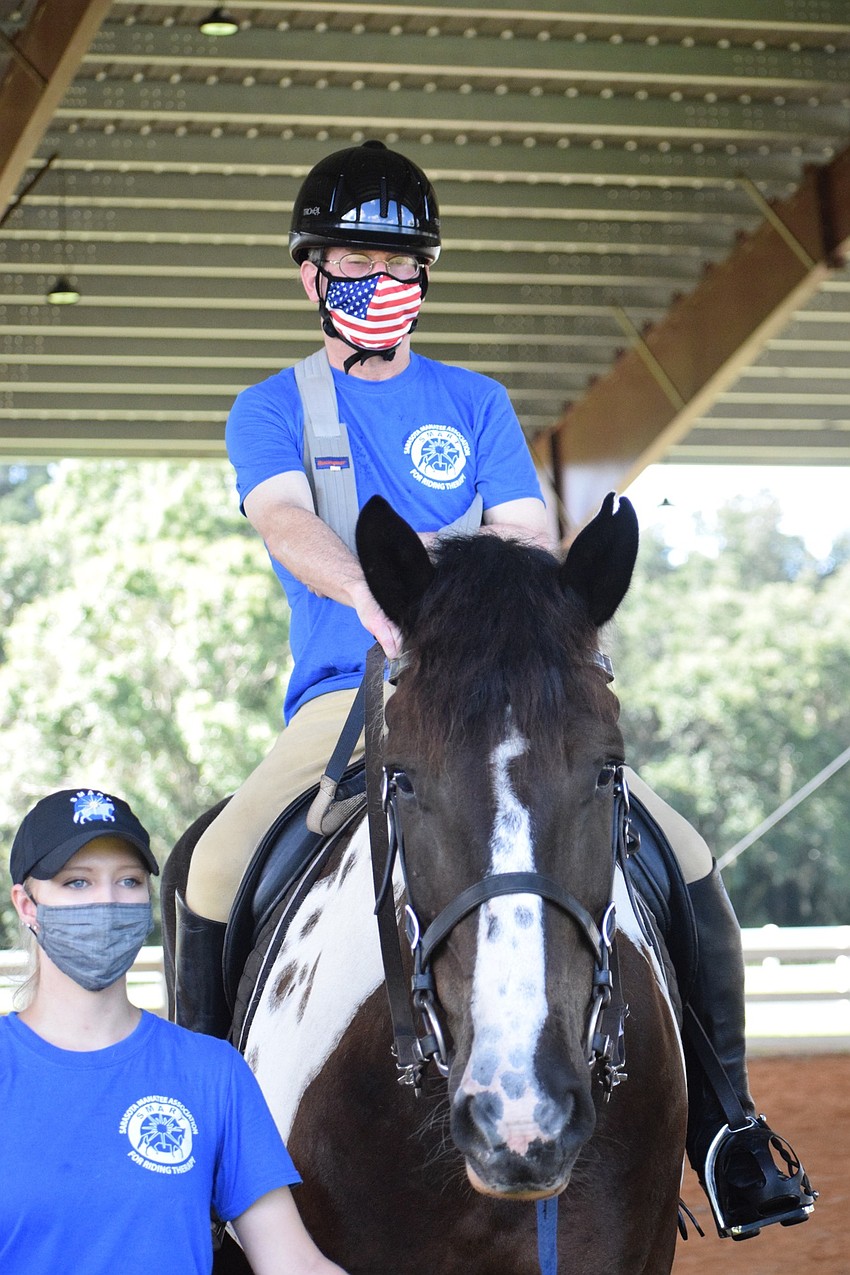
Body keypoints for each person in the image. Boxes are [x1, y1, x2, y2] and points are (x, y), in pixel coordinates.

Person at [176, 139, 815, 1240]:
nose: (379, 282)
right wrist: (388, 601)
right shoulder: (272, 406)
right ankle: (194, 1156)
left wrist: (474, 596)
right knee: (216, 866)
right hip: (353, 688)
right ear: (310, 276)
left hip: (498, 692)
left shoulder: (472, 402)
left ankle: (727, 1129)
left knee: (686, 853)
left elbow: (524, 537)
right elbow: (285, 521)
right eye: (352, 261)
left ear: (424, 276)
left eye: (399, 262)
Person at [0, 787, 350, 1275]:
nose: (107, 901)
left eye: (128, 881)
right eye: (77, 883)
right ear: (27, 904)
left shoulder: (212, 1071)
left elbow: (293, 1263)